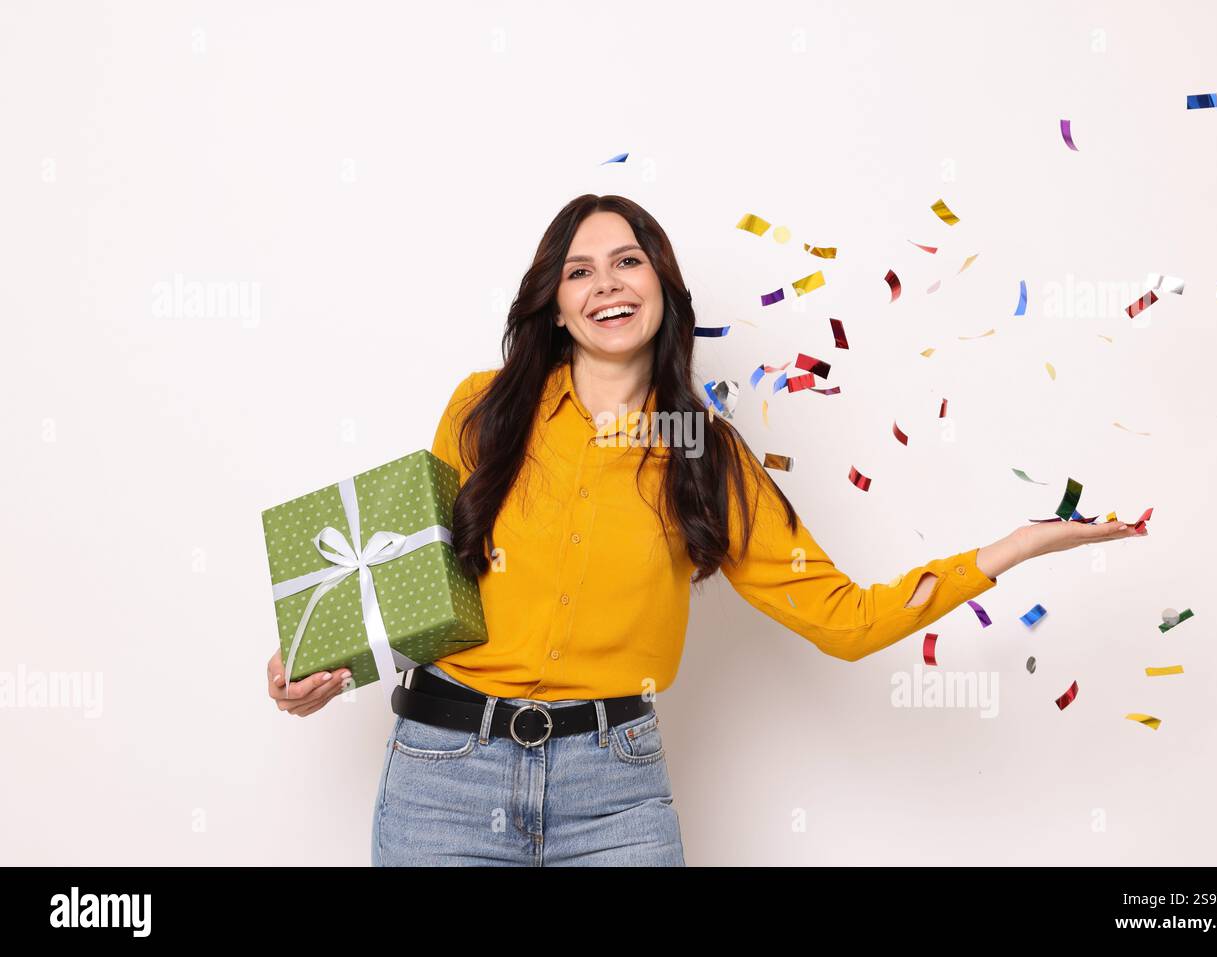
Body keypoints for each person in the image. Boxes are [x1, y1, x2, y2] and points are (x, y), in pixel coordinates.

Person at [266, 194, 1147, 865]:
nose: (607, 283)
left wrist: (1016, 546)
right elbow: (414, 570)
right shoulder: (481, 409)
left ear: (664, 286)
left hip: (613, 790)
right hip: (441, 777)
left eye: (628, 261)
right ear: (556, 304)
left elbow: (845, 619)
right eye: (580, 271)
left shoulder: (708, 459)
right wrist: (322, 656)